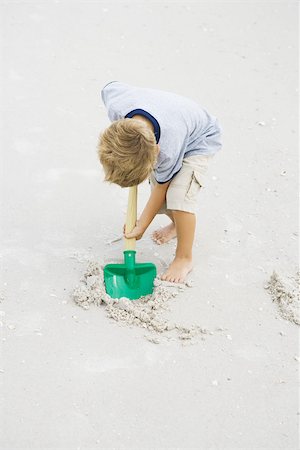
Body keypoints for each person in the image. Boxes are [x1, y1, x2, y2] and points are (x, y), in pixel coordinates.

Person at [98, 81, 222, 283]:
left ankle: (184, 258)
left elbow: (162, 188)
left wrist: (142, 225)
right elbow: (109, 87)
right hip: (171, 117)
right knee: (164, 202)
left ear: (156, 152)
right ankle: (176, 226)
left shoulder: (168, 150)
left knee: (178, 196)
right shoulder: (116, 105)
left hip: (199, 139)